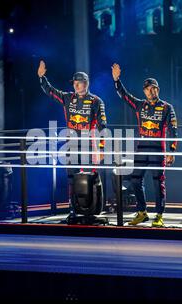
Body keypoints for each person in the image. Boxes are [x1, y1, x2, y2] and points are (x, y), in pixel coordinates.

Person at [38, 60, 107, 221]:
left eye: (79, 83)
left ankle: (92, 209)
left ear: (86, 83)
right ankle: (73, 209)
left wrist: (102, 149)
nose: (76, 86)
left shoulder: (97, 101)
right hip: (71, 144)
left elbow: (103, 126)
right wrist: (42, 78)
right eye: (74, 83)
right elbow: (50, 91)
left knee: (92, 176)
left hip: (89, 145)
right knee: (71, 177)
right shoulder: (67, 97)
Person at [111, 63, 178, 227]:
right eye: (148, 89)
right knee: (135, 180)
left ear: (158, 89)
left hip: (158, 150)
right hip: (141, 149)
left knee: (158, 182)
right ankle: (142, 212)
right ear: (144, 91)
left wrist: (172, 151)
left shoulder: (167, 108)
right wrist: (116, 81)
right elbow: (125, 96)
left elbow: (173, 130)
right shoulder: (140, 105)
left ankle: (159, 215)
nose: (151, 91)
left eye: (154, 88)